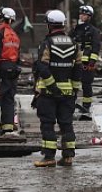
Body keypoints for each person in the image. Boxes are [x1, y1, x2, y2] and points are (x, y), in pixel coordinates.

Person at [32, 9, 82, 168]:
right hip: (68, 92)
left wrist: (52, 86)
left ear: (49, 25)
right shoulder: (74, 44)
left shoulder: (47, 44)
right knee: (66, 124)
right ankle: (68, 157)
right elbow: (78, 69)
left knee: (47, 124)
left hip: (49, 92)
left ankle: (49, 157)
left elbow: (43, 68)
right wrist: (74, 91)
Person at [0, 7, 21, 135]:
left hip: (1, 69)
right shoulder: (15, 35)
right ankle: (8, 126)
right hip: (13, 70)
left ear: (2, 18)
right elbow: (18, 55)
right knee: (8, 99)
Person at [71, 5, 101, 116]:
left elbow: (96, 47)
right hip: (74, 62)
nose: (82, 16)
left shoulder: (93, 31)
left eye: (84, 14)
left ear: (89, 16)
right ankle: (71, 104)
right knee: (73, 85)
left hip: (87, 64)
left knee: (86, 85)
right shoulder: (75, 29)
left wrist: (92, 62)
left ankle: (86, 106)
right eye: (81, 14)